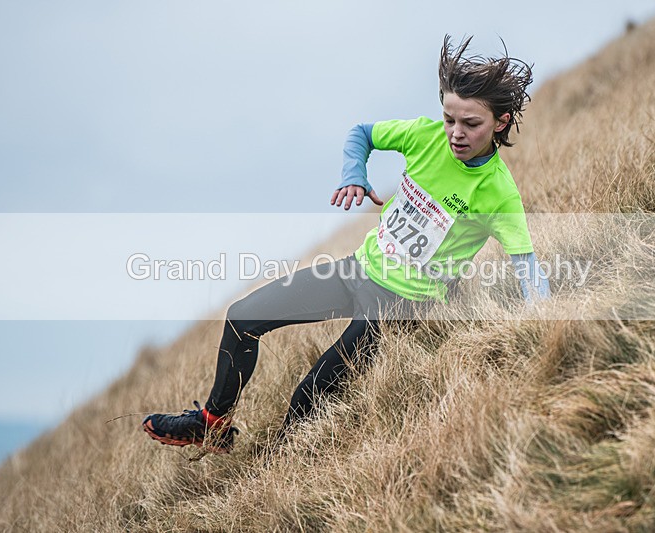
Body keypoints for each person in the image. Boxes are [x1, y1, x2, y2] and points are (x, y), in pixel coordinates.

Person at [142, 35, 551, 453]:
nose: (455, 134)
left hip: (400, 306)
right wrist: (354, 173)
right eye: (449, 119)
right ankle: (212, 424)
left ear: (500, 123)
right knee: (241, 318)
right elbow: (361, 133)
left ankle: (279, 466)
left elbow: (527, 265)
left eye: (471, 124)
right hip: (356, 270)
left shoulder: (499, 194)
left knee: (309, 395)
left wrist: (545, 326)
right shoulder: (424, 136)